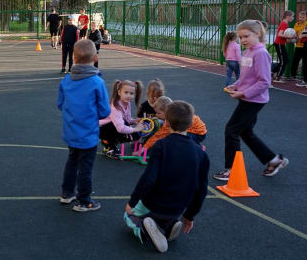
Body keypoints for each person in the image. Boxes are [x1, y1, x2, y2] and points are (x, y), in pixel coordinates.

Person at [124, 101, 209, 253]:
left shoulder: (161, 146)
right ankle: (168, 225)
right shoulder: (201, 154)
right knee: (168, 210)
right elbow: (201, 190)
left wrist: (132, 201)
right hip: (179, 207)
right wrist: (189, 216)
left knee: (128, 215)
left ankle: (142, 226)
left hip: (154, 203)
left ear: (167, 122)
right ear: (191, 123)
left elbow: (149, 179)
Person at [214, 20, 289, 181]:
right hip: (248, 98)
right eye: (240, 37)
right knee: (245, 132)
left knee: (231, 130)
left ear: (257, 34)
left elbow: (264, 82)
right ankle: (274, 160)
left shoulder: (261, 53)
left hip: (254, 100)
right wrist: (235, 85)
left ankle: (231, 169)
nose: (243, 40)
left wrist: (243, 94)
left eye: (246, 36)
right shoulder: (248, 52)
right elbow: (245, 77)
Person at [58, 39, 111, 212]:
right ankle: (83, 200)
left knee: (72, 162)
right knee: (86, 168)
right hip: (88, 134)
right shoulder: (97, 83)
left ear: (73, 57)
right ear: (95, 58)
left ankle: (67, 194)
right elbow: (104, 112)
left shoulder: (66, 81)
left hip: (71, 131)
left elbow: (60, 104)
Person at [99, 80, 145, 159]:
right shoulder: (116, 106)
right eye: (126, 92)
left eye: (131, 93)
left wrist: (135, 121)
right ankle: (108, 145)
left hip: (111, 127)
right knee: (131, 133)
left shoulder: (127, 103)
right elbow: (120, 128)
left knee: (133, 132)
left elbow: (127, 119)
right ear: (119, 92)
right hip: (101, 129)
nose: (128, 95)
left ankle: (110, 142)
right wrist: (135, 129)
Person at [273, 10, 295, 83]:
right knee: (283, 61)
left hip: (280, 44)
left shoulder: (285, 23)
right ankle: (277, 78)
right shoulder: (284, 24)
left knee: (285, 60)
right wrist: (290, 37)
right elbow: (279, 34)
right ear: (288, 17)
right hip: (279, 44)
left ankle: (272, 71)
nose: (293, 18)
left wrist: (292, 39)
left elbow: (283, 36)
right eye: (292, 16)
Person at [290, 11, 307, 81]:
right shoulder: (296, 25)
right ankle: (293, 75)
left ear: (306, 17)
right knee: (295, 61)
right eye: (300, 17)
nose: (301, 18)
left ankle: (304, 76)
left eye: (303, 17)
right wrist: (295, 37)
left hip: (305, 46)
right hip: (298, 46)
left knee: (305, 62)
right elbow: (295, 34)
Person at [296, 9, 307, 89]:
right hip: (306, 45)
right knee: (305, 63)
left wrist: (304, 35)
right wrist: (301, 33)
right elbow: (306, 31)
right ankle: (305, 80)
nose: (306, 16)